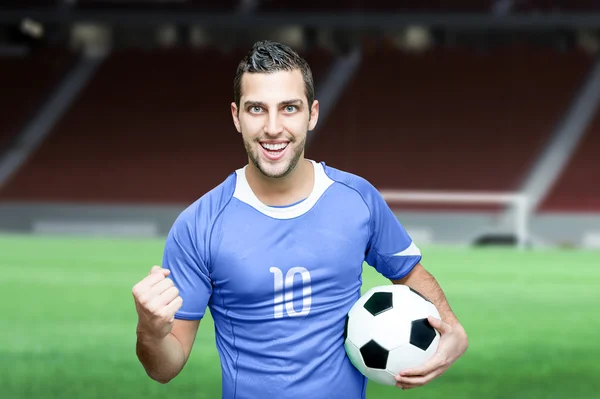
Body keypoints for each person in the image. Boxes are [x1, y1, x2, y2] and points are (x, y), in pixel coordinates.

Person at [132, 40, 468, 399]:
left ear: (312, 114)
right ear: (236, 116)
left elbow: (410, 273)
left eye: (289, 108)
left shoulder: (357, 199)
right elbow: (165, 368)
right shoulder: (199, 225)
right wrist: (149, 332)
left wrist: (452, 328)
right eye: (257, 109)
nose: (273, 127)